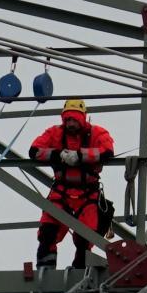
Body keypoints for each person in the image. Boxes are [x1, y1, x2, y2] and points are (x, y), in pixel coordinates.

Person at [29, 97, 116, 270]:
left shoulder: (97, 133)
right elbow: (34, 151)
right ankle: (46, 271)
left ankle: (80, 271)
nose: (70, 123)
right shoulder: (54, 133)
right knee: (48, 231)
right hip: (61, 192)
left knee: (86, 237)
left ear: (82, 118)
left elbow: (108, 152)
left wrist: (80, 156)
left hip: (88, 195)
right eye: (67, 119)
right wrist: (58, 154)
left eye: (74, 119)